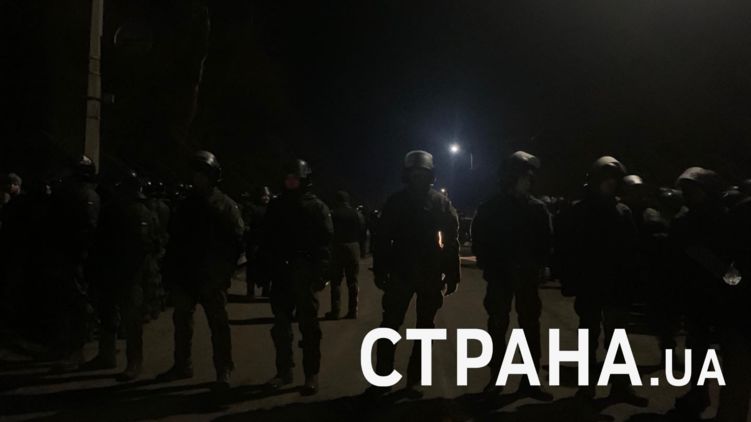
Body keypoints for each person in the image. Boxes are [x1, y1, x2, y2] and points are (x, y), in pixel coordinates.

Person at [556, 156, 647, 406]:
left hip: (616, 285)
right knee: (588, 337)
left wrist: (633, 281)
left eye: (613, 180)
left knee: (617, 338)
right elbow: (566, 249)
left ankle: (620, 385)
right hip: (590, 284)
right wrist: (569, 279)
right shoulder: (579, 211)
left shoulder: (622, 211)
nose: (610, 184)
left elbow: (632, 250)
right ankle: (587, 386)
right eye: (606, 179)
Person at [370, 150, 460, 398]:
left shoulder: (440, 203)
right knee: (390, 325)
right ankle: (382, 377)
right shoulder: (396, 202)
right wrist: (380, 268)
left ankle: (415, 379)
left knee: (425, 328)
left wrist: (452, 272)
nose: (418, 177)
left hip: (429, 272)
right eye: (414, 173)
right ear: (407, 175)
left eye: (422, 173)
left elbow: (451, 240)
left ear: (430, 176)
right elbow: (382, 238)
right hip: (401, 271)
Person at [158, 151, 244, 390]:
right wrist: (171, 270)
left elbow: (237, 242)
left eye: (203, 174)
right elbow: (174, 239)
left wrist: (223, 273)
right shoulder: (186, 204)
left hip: (211, 276)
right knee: (182, 322)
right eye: (196, 173)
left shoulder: (225, 205)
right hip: (186, 274)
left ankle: (223, 369)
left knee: (218, 324)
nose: (198, 178)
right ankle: (182, 365)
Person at [471, 151, 552, 400]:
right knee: (497, 326)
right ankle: (497, 377)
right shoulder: (491, 207)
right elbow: (480, 241)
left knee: (529, 327)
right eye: (524, 176)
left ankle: (530, 380)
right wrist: (491, 266)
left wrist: (541, 266)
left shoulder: (537, 208)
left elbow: (546, 242)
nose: (529, 181)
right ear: (511, 178)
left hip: (526, 277)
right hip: (500, 277)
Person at [260, 159, 332, 396]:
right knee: (281, 328)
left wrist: (321, 273)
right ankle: (284, 371)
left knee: (309, 328)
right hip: (281, 273)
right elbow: (266, 239)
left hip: (305, 274)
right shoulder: (276, 206)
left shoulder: (316, 207)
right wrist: (264, 268)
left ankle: (311, 374)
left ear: (304, 180)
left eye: (295, 179)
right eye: (288, 178)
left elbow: (325, 243)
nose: (291, 182)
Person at [84, 171, 159, 381]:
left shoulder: (134, 212)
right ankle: (115, 357)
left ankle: (129, 361)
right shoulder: (137, 211)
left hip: (126, 272)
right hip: (121, 271)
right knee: (116, 315)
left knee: (126, 317)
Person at [669, 167, 728, 416]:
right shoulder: (688, 219)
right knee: (698, 345)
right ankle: (699, 392)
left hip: (716, 293)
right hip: (697, 292)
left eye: (692, 190)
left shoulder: (721, 219)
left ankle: (711, 398)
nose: (687, 194)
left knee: (720, 348)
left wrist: (732, 281)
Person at [43, 156, 101, 372]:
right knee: (65, 303)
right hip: (68, 256)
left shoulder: (85, 195)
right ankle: (66, 348)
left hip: (74, 258)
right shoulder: (75, 194)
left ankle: (75, 352)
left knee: (74, 304)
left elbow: (86, 230)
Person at [325, 190, 365, 320]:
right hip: (353, 246)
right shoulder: (356, 214)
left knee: (336, 281)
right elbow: (362, 231)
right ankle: (352, 310)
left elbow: (328, 231)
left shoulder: (332, 213)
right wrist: (362, 249)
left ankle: (335, 311)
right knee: (352, 280)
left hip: (337, 247)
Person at [243, 186, 271, 299]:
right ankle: (250, 291)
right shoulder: (252, 208)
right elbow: (247, 224)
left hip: (267, 243)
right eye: (264, 195)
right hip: (255, 242)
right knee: (252, 267)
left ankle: (266, 290)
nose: (266, 197)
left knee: (267, 267)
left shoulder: (271, 209)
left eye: (267, 195)